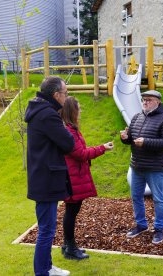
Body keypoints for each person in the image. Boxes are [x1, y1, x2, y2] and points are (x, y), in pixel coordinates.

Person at [25, 76, 74, 276]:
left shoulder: (41, 111)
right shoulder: (48, 115)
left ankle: (47, 267)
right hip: (46, 180)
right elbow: (69, 143)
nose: (67, 96)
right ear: (56, 95)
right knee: (46, 230)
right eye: (65, 93)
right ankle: (42, 272)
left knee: (48, 228)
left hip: (43, 177)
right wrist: (63, 127)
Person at [60, 96, 114, 260]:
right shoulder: (69, 131)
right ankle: (70, 247)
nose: (81, 111)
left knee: (71, 211)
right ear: (72, 111)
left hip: (76, 175)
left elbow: (80, 151)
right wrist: (102, 148)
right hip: (72, 177)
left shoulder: (71, 129)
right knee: (71, 211)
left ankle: (68, 245)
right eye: (78, 108)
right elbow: (80, 154)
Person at [120, 90, 163, 244]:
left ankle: (159, 229)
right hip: (137, 166)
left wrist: (146, 142)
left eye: (149, 100)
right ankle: (141, 225)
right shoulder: (136, 117)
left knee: (159, 199)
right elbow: (131, 139)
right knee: (136, 197)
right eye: (144, 100)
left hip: (155, 168)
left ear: (158, 102)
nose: (145, 102)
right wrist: (125, 138)